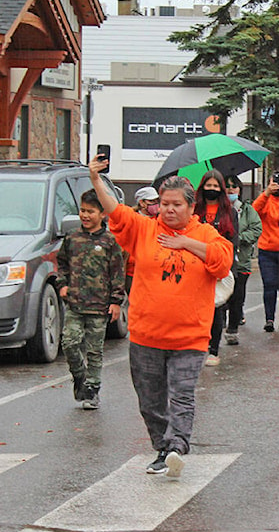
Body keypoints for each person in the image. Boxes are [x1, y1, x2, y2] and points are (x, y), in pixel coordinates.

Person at [87, 159, 233, 478]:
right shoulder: (144, 229)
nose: (169, 210)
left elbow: (222, 262)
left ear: (190, 207)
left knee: (181, 395)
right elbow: (115, 211)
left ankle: (177, 445)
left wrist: (186, 243)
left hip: (190, 338)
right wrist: (96, 179)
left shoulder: (206, 234)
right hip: (146, 335)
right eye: (164, 204)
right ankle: (163, 448)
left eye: (176, 205)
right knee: (150, 401)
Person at [56, 189, 124, 409]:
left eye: (90, 211)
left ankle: (92, 390)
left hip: (99, 305)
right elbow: (62, 264)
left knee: (95, 350)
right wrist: (63, 284)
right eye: (82, 211)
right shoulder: (72, 238)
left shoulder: (109, 242)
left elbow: (117, 273)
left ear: (102, 214)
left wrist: (116, 302)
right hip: (75, 304)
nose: (85, 215)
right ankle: (80, 376)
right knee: (69, 343)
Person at [195, 170, 240, 365]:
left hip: (221, 265)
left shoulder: (229, 212)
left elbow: (233, 240)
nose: (211, 190)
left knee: (216, 309)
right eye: (208, 186)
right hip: (196, 266)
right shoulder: (194, 209)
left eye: (215, 186)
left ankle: (214, 350)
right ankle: (197, 345)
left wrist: (225, 265)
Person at [254, 171, 279, 332]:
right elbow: (254, 211)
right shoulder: (265, 200)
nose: (277, 186)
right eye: (274, 183)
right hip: (267, 250)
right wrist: (266, 193)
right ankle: (269, 319)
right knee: (270, 285)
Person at [223, 175, 262, 345]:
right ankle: (219, 325)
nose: (231, 190)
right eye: (228, 187)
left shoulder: (246, 210)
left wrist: (239, 238)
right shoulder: (218, 209)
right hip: (222, 259)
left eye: (234, 187)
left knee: (237, 296)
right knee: (221, 296)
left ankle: (233, 329)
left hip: (241, 259)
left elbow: (256, 229)